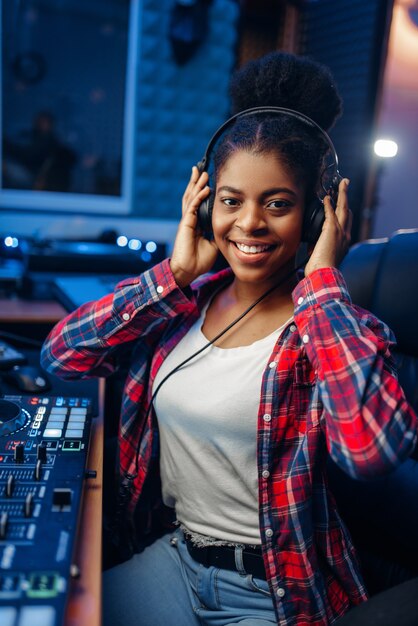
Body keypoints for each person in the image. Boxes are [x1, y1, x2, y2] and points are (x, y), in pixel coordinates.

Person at [41, 52, 418, 625]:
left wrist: (320, 284)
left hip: (275, 595)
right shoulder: (177, 308)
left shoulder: (334, 330)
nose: (249, 224)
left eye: (278, 204)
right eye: (231, 200)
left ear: (316, 218)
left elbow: (371, 450)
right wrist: (174, 275)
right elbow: (60, 356)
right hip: (174, 563)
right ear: (204, 203)